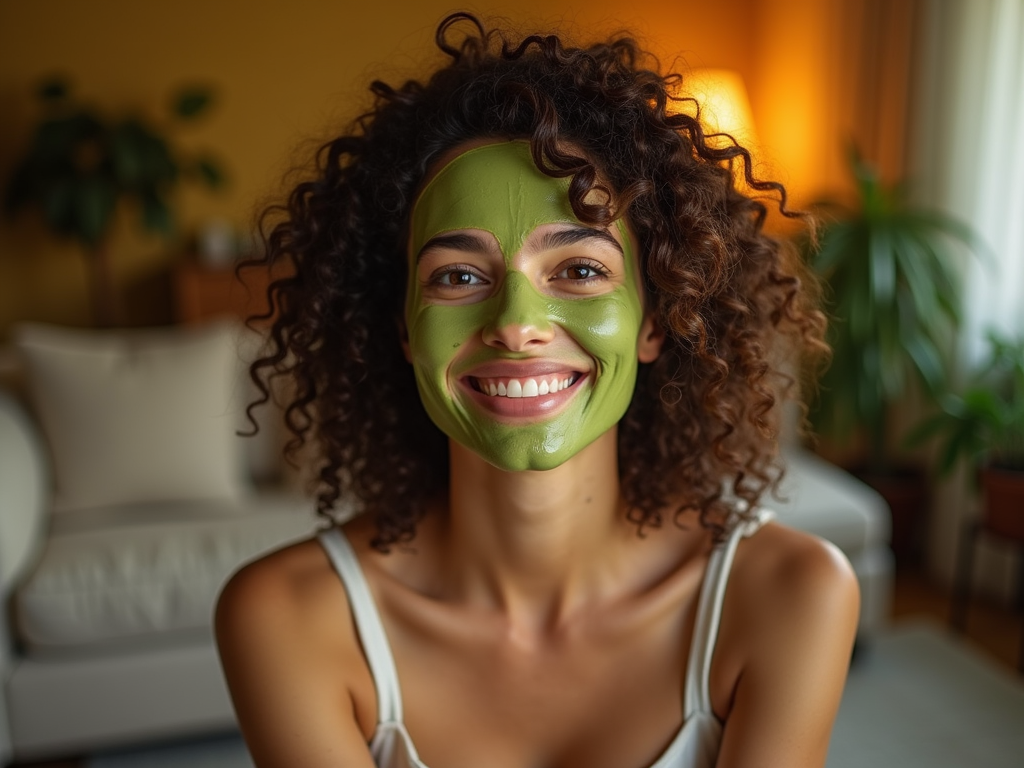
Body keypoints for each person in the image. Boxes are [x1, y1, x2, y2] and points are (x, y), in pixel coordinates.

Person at [215, 12, 859, 768]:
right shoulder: (289, 620)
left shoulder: (791, 596)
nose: (518, 325)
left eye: (580, 270)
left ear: (657, 320)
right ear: (403, 329)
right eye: (458, 276)